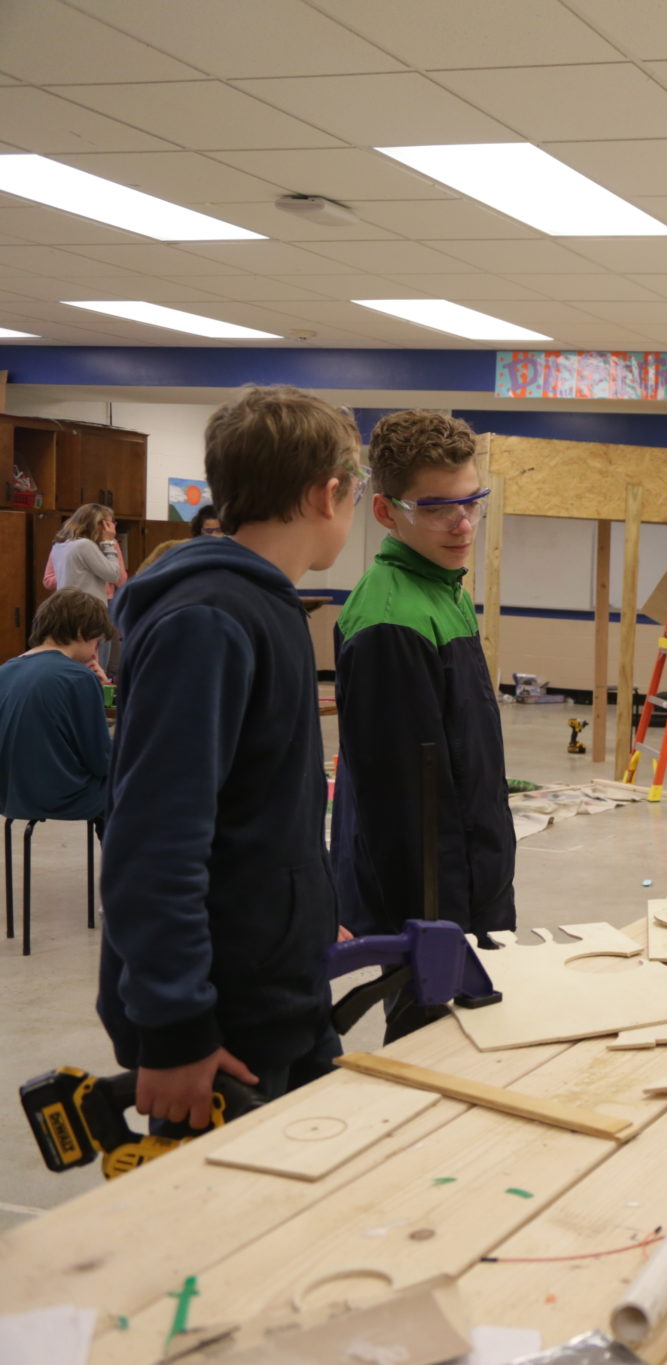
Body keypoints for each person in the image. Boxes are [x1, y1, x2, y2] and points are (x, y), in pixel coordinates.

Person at [97, 385, 361, 1126]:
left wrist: (307, 911)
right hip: (221, 1026)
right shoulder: (210, 620)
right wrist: (176, 1029)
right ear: (327, 493)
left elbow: (254, 810)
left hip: (279, 990)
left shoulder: (262, 604)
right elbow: (153, 844)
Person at [332, 410, 513, 1039]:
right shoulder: (390, 621)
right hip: (431, 906)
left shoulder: (442, 587)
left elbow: (461, 759)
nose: (463, 524)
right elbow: (402, 811)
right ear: (385, 512)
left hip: (470, 881)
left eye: (473, 502)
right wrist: (440, 929)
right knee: (428, 1058)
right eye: (439, 507)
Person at [0, 589, 116, 823]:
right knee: (136, 782)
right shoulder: (77, 677)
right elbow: (101, 760)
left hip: (8, 797)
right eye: (96, 642)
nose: (95, 651)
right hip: (61, 797)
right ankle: (124, 858)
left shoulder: (6, 670)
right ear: (83, 631)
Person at [47, 503, 125, 599]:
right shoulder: (85, 545)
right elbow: (114, 575)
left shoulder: (59, 545)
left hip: (67, 602)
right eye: (109, 524)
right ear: (97, 525)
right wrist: (109, 543)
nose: (112, 529)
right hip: (87, 606)